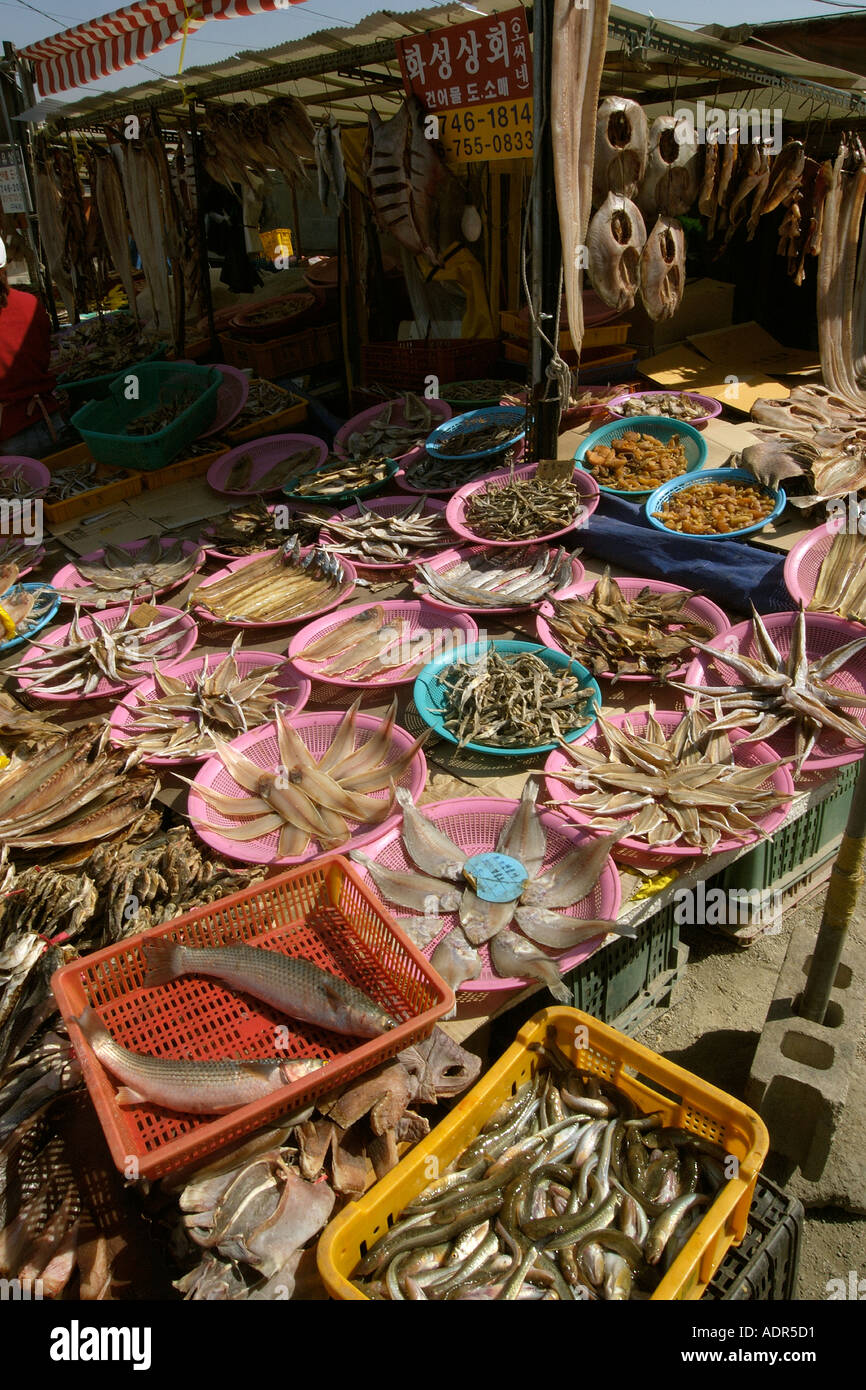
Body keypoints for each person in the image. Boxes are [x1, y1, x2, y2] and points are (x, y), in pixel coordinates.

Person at [0, 236, 65, 457]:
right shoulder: (30, 303)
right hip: (50, 420)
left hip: (10, 435)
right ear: (6, 264)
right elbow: (42, 356)